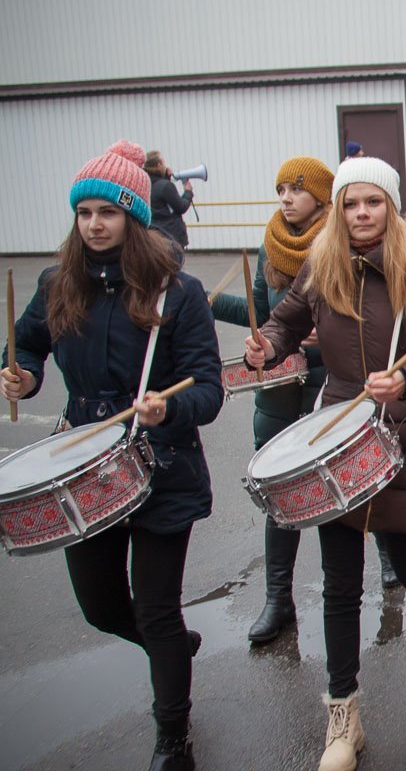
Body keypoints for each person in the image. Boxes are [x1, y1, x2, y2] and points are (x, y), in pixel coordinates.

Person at [245, 156, 406, 770]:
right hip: (337, 432)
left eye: (372, 202)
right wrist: (265, 341)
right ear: (338, 209)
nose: (360, 214)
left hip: (399, 431)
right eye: (350, 203)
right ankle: (342, 715)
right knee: (340, 582)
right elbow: (286, 323)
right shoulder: (322, 264)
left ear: (391, 206)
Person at [3, 140, 223, 769]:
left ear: (133, 218)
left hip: (161, 466)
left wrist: (168, 407)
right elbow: (26, 345)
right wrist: (20, 375)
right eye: (84, 213)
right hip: (82, 465)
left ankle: (172, 736)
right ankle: (175, 646)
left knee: (155, 607)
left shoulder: (174, 292)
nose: (94, 224)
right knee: (101, 608)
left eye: (108, 212)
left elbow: (208, 389)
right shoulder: (56, 283)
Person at [210, 156, 382, 646]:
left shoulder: (345, 243)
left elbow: (372, 316)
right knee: (277, 489)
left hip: (332, 378)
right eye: (281, 188)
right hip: (279, 385)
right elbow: (267, 315)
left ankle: (389, 556)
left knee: (357, 474)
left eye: (296, 189)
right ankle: (277, 598)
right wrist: (215, 305)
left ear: (323, 196)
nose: (285, 197)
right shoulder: (272, 245)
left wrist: (326, 336)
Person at [144, 150, 194, 251]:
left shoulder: (145, 183)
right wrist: (188, 192)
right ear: (159, 164)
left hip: (153, 236)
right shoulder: (166, 186)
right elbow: (181, 207)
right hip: (171, 236)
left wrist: (165, 177)